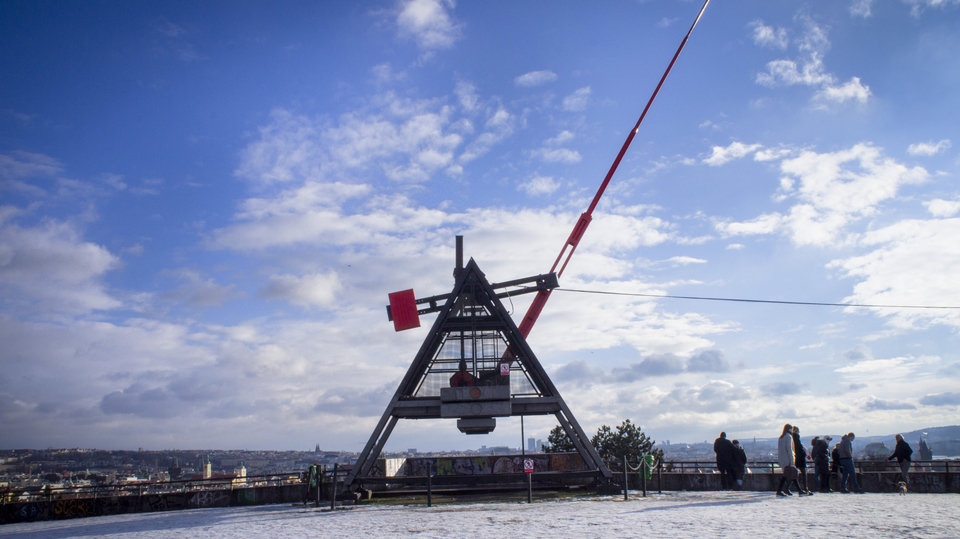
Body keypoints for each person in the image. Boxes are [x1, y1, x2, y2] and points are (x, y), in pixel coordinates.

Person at [776, 424, 805, 496]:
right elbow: (789, 449)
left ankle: (799, 490)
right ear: (789, 429)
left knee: (790, 474)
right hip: (788, 458)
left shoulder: (781, 437)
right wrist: (792, 459)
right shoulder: (789, 437)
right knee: (788, 474)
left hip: (782, 459)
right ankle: (779, 491)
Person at [792, 426, 812, 495]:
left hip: (795, 457)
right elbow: (799, 447)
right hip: (799, 458)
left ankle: (787, 488)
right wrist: (803, 454)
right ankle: (805, 488)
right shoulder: (796, 436)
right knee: (803, 473)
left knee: (794, 474)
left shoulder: (791, 437)